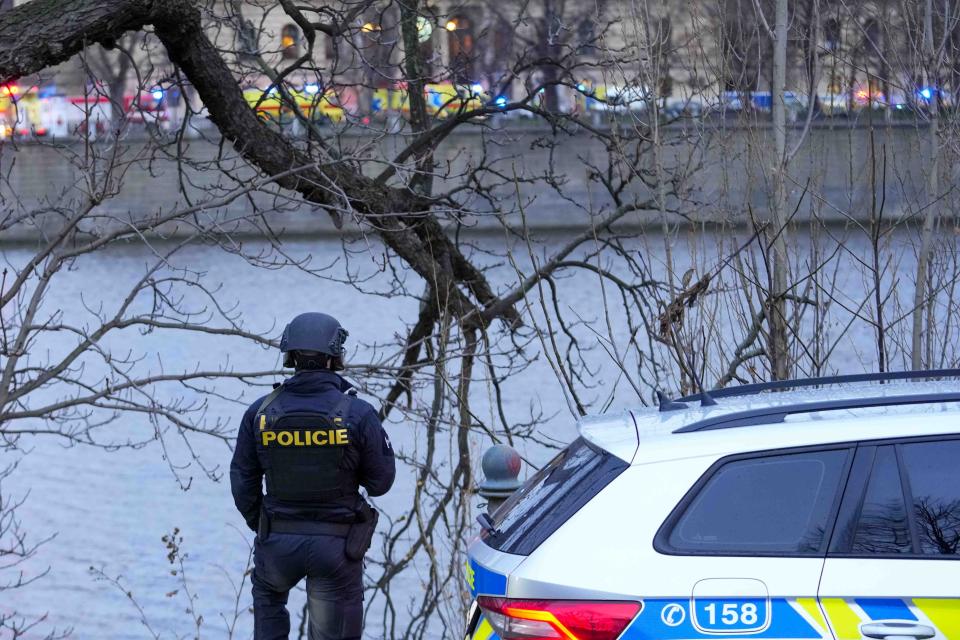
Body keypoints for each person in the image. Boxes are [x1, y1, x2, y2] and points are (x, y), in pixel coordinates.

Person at [230, 312, 396, 640]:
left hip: (276, 542)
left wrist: (265, 526)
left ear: (289, 356)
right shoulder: (358, 413)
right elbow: (381, 482)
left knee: (268, 618)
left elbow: (242, 481)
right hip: (336, 547)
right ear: (336, 357)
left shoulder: (260, 412)